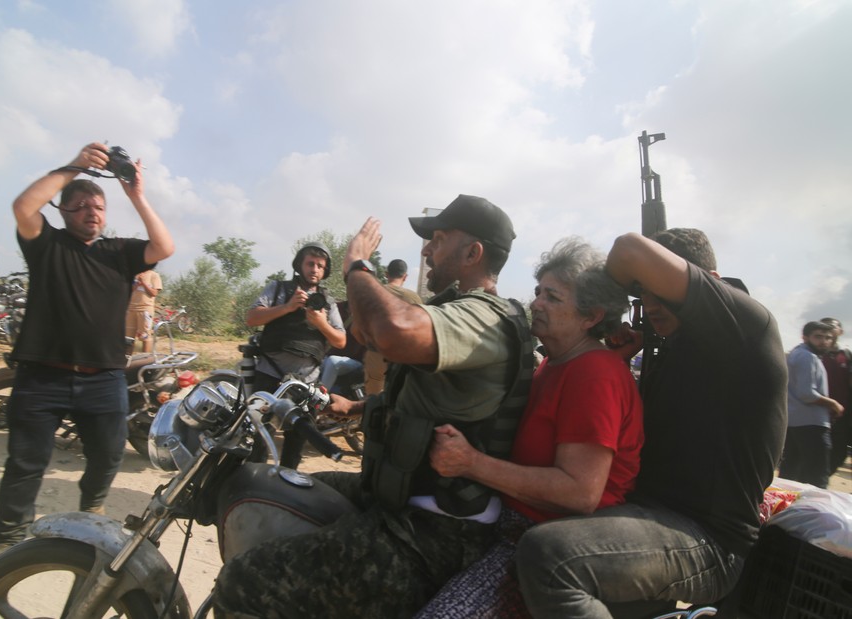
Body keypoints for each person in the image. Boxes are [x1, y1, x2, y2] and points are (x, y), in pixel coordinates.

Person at [214, 194, 535, 618]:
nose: (426, 251)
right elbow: (411, 385)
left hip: (436, 530)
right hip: (397, 497)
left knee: (243, 583)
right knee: (270, 487)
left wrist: (357, 265)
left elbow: (392, 331)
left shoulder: (486, 317)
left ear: (473, 253)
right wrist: (356, 408)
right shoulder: (453, 309)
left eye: (437, 240)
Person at [515, 228, 788, 618]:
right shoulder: (675, 345)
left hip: (707, 539)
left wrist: (591, 293)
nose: (649, 304)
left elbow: (629, 248)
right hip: (649, 516)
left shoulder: (744, 322)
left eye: (660, 292)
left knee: (552, 557)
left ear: (706, 281)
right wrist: (622, 360)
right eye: (642, 293)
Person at [414, 237, 643, 619]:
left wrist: (470, 463)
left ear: (591, 316)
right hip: (506, 523)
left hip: (540, 543)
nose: (536, 302)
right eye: (538, 292)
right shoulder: (556, 362)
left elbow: (580, 492)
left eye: (552, 297)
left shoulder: (593, 373)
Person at [0, 142, 174, 569]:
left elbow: (164, 246)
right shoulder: (46, 244)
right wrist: (76, 166)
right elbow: (23, 206)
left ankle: (89, 521)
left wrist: (136, 193)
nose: (92, 212)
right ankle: (5, 541)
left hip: (103, 379)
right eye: (81, 205)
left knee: (106, 458)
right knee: (25, 464)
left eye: (98, 206)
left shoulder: (118, 253)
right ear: (64, 211)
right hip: (40, 378)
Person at [244, 241, 346, 468]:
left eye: (320, 265)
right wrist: (287, 307)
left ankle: (285, 486)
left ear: (325, 271)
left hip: (306, 382)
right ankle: (254, 486)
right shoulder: (278, 289)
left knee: (295, 444)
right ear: (299, 265)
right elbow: (251, 318)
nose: (315, 269)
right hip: (270, 375)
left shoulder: (327, 303)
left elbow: (340, 340)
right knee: (260, 440)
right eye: (310, 263)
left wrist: (321, 323)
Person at [780, 320, 844, 488]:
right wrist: (833, 404)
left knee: (790, 473)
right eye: (818, 337)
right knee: (817, 475)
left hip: (796, 421)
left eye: (827, 337)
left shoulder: (799, 354)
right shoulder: (807, 357)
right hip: (811, 422)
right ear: (805, 337)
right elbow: (806, 394)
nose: (823, 341)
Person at [364, 258, 422, 395]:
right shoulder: (413, 298)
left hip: (375, 356)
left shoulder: (372, 293)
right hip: (403, 359)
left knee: (373, 402)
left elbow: (357, 329)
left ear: (386, 273)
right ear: (405, 276)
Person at [820, 317, 851, 475]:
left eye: (833, 326)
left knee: (839, 453)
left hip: (841, 415)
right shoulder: (814, 355)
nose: (829, 329)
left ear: (841, 331)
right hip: (818, 414)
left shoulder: (845, 355)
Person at [125, 269, 162, 352]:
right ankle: (127, 360)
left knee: (144, 336)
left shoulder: (154, 275)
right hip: (131, 309)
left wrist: (144, 283)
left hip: (145, 309)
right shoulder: (134, 275)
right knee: (128, 338)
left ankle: (145, 359)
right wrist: (136, 284)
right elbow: (128, 291)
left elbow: (154, 293)